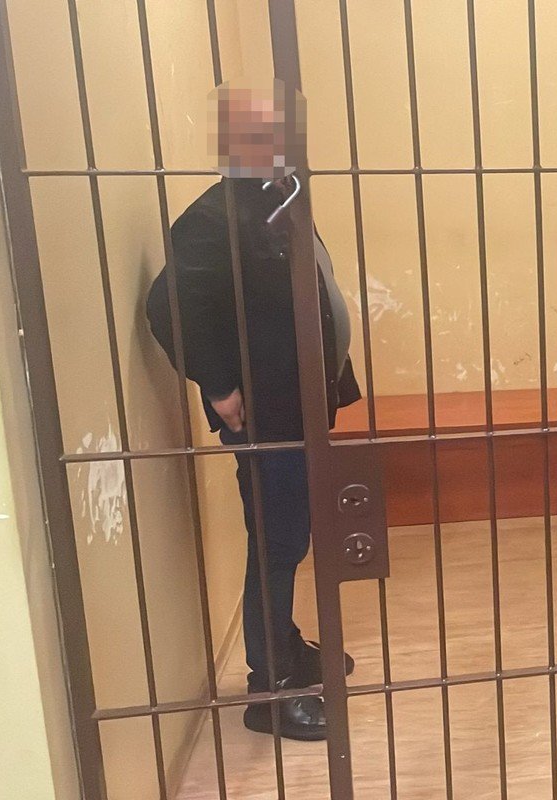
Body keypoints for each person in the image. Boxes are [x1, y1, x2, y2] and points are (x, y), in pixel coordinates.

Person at [145, 80, 360, 741]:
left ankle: (285, 645)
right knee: (277, 540)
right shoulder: (215, 218)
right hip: (266, 413)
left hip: (295, 405)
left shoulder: (277, 199)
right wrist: (218, 385)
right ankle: (271, 691)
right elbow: (167, 304)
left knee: (287, 535)